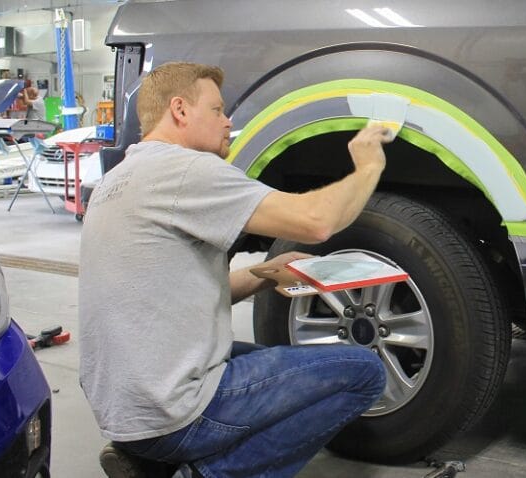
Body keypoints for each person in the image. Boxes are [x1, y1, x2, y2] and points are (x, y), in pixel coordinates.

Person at [79, 62, 391, 478]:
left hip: (125, 407)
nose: (228, 122)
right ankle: (208, 473)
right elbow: (317, 221)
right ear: (180, 110)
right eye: (218, 110)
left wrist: (264, 273)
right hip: (172, 411)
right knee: (363, 372)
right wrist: (368, 166)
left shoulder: (119, 179)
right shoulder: (186, 169)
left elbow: (168, 294)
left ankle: (146, 460)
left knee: (275, 364)